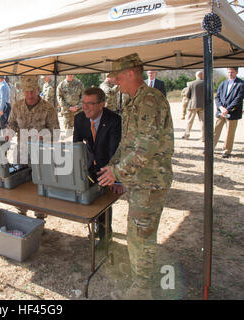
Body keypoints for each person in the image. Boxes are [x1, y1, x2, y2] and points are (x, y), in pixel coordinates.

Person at [98, 53, 174, 300]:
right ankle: (140, 283)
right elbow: (128, 142)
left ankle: (142, 290)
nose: (116, 82)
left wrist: (118, 172)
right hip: (141, 180)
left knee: (142, 237)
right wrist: (112, 165)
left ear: (131, 73)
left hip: (151, 181)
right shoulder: (134, 100)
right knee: (136, 234)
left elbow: (146, 147)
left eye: (119, 77)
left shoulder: (150, 100)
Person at [7, 75, 60, 221]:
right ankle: (21, 212)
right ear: (23, 91)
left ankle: (40, 217)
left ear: (37, 89)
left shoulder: (48, 108)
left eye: (32, 91)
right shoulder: (17, 106)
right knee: (20, 183)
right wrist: (8, 133)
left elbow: (56, 131)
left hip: (41, 154)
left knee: (40, 183)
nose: (29, 95)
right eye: (27, 91)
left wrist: (42, 136)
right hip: (21, 152)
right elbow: (11, 123)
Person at [73, 87, 122, 245]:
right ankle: (94, 229)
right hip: (88, 167)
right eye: (83, 103)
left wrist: (115, 178)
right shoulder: (79, 118)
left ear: (101, 104)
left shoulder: (114, 120)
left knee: (104, 204)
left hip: (107, 166)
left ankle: (106, 237)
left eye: (90, 104)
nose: (85, 107)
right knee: (90, 201)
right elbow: (76, 146)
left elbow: (114, 151)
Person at [213, 67, 244, 158]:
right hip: (221, 112)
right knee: (215, 131)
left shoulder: (241, 84)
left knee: (229, 133)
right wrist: (221, 107)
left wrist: (228, 109)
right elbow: (217, 97)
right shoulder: (223, 83)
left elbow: (238, 99)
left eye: (232, 72)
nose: (230, 74)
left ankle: (226, 151)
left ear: (236, 72)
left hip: (232, 113)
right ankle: (210, 148)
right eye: (229, 72)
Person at [182, 71, 205, 142]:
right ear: (202, 75)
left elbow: (187, 95)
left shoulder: (191, 83)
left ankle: (186, 135)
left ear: (196, 76)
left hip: (192, 105)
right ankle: (203, 137)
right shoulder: (206, 83)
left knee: (189, 121)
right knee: (203, 121)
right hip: (203, 105)